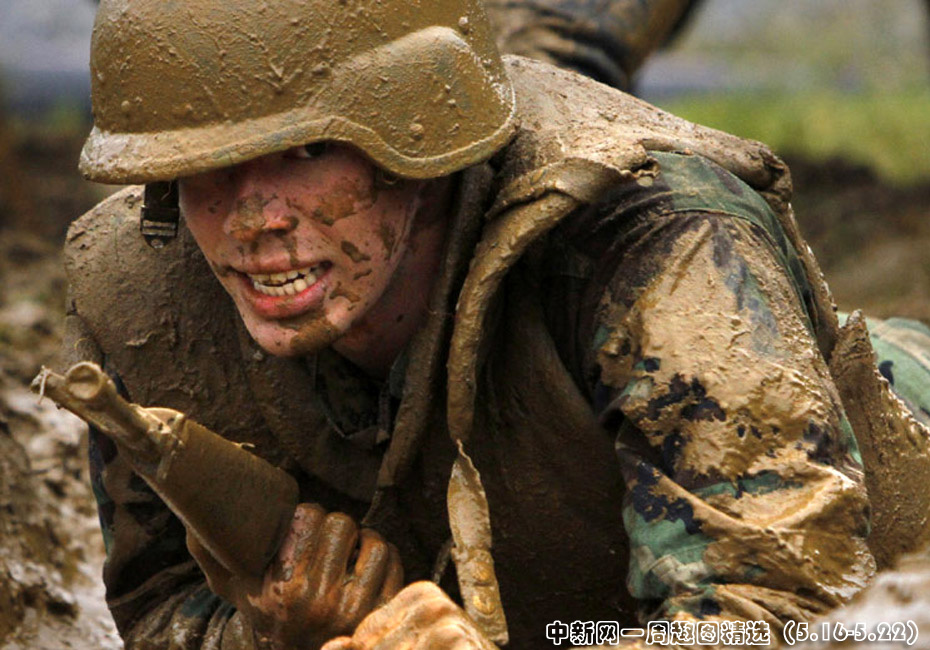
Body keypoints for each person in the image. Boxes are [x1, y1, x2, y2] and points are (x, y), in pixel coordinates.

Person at [64, 1, 928, 649]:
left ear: (420, 138)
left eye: (308, 152)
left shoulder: (650, 234)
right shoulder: (143, 294)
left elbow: (788, 614)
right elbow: (156, 608)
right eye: (208, 164)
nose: (254, 222)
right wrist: (273, 631)